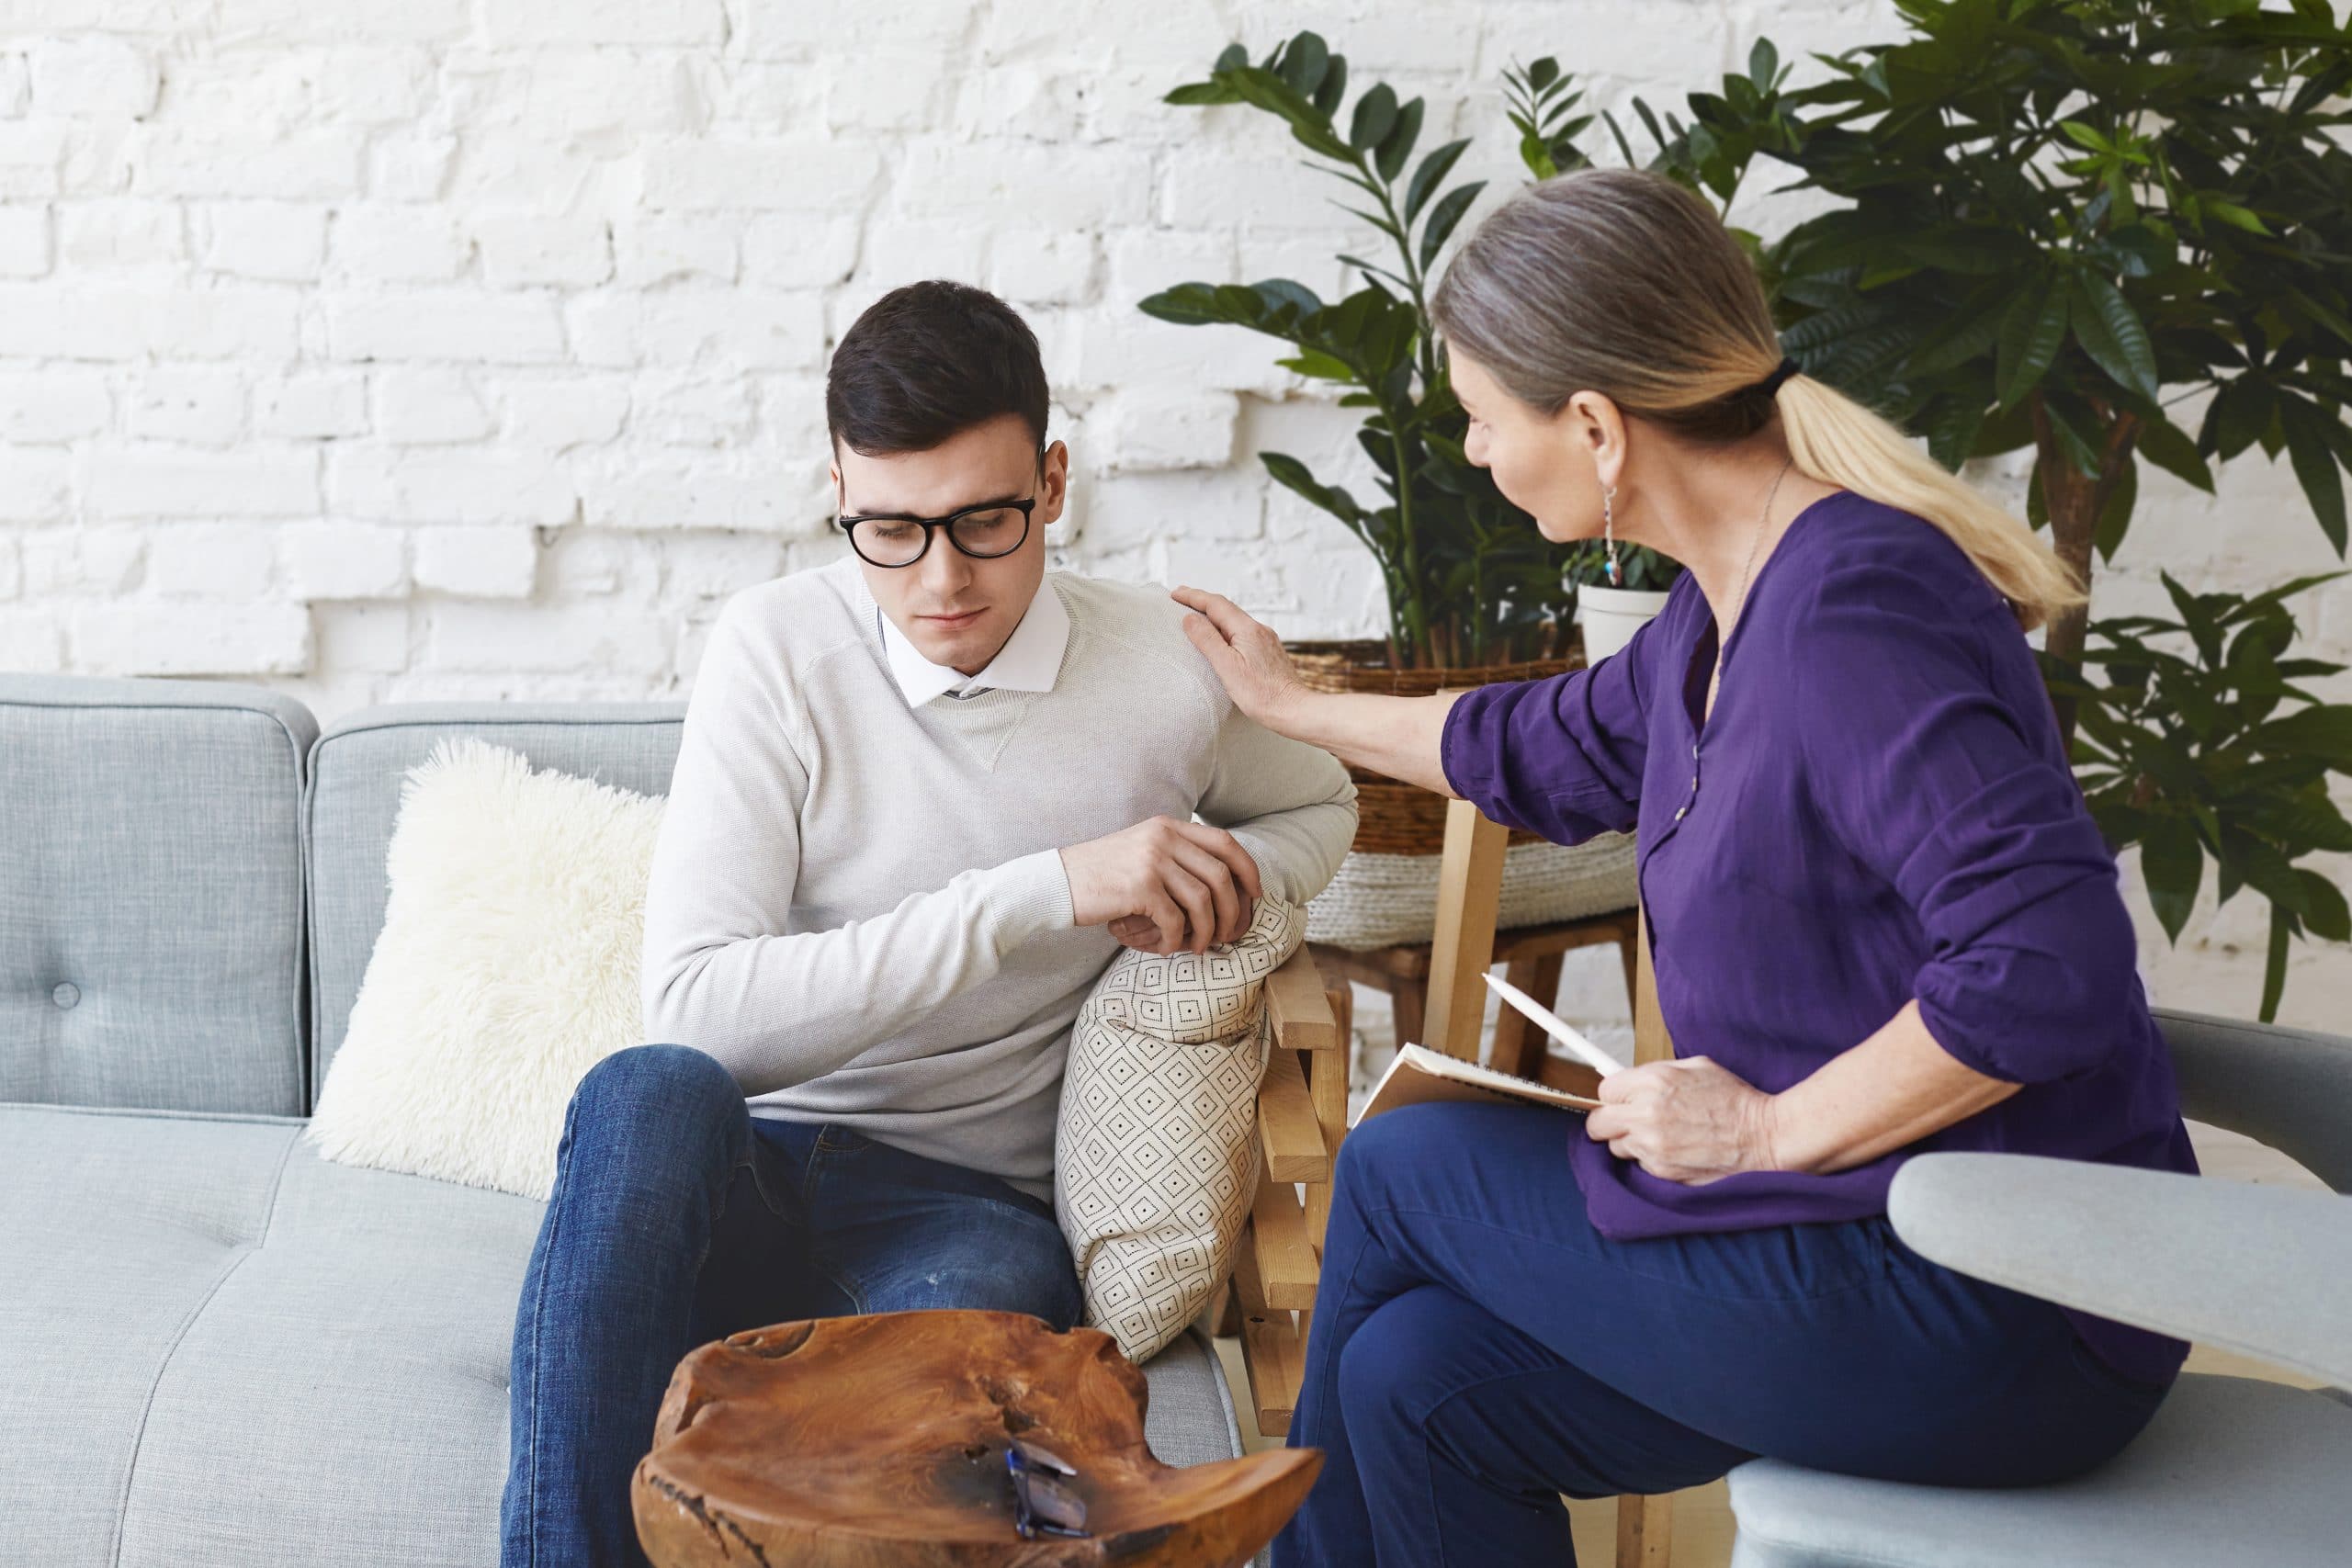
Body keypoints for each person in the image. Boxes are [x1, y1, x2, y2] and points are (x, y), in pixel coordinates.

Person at [1174, 166, 2199, 1567]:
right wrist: (1295, 703)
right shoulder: (1720, 613)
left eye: (1482, 419)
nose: (1472, 452)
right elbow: (1527, 741)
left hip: (2003, 1299)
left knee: (1410, 1163)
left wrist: (1766, 1133)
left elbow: (2048, 971)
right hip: (1861, 1247)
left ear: (1595, 426)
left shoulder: (1850, 613)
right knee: (1415, 1381)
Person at [499, 279, 1359, 1568]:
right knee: (644, 1091)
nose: (940, 578)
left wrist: (1216, 870)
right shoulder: (776, 650)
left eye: (985, 522)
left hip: (966, 1208)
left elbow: (1327, 804)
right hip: (747, 1167)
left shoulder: (1165, 668)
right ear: (840, 495)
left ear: (1054, 482)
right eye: (888, 531)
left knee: (924, 1454)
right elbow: (698, 1016)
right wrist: (1042, 889)